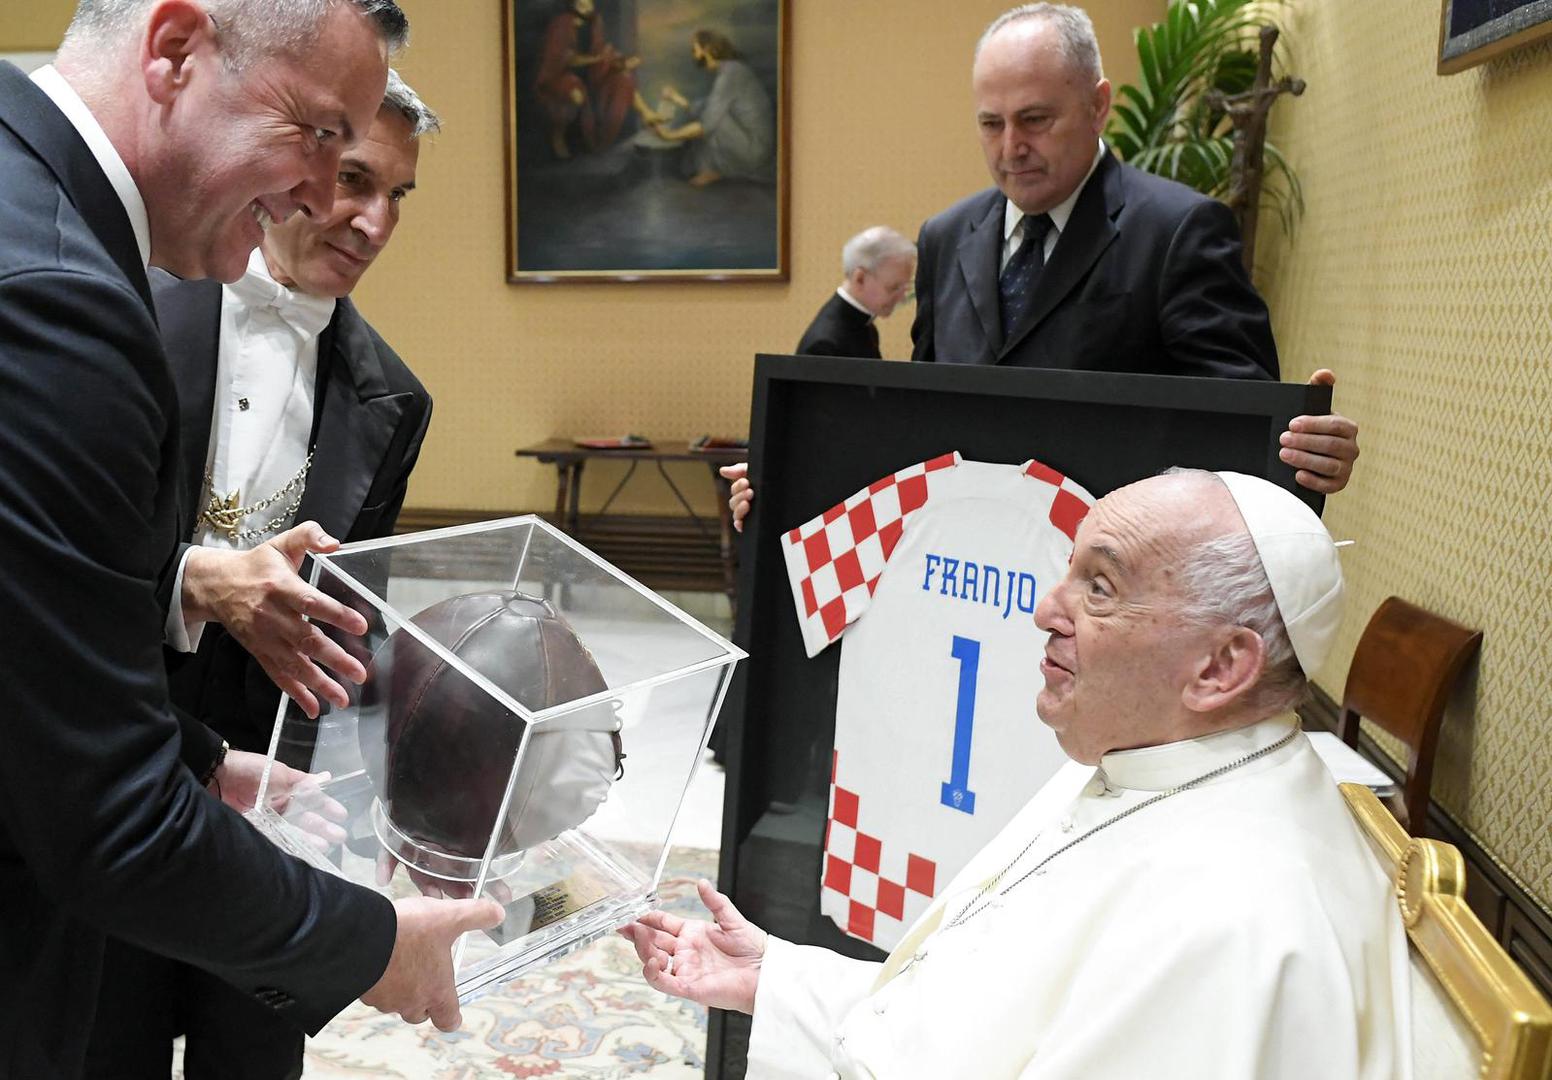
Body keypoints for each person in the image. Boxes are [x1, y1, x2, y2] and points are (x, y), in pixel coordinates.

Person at [0, 3, 501, 1076]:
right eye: (322, 138)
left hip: (240, 767)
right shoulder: (75, 298)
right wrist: (375, 951)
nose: (334, 202)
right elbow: (101, 810)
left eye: (379, 183)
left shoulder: (390, 394)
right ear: (175, 52)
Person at [623, 469, 1411, 1079]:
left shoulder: (1234, 921)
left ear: (1219, 666)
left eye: (1099, 586)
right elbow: (983, 1027)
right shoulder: (1149, 766)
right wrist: (780, 979)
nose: (1043, 607)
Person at [84, 70, 440, 1080]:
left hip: (275, 777)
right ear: (298, 167)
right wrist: (199, 578)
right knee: (104, 1028)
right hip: (118, 742)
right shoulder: (124, 312)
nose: (373, 222)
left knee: (253, 1043)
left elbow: (349, 626)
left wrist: (383, 800)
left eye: (399, 196)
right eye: (357, 180)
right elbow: (59, 558)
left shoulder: (395, 398)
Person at [719, 3, 1358, 530]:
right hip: (959, 573)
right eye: (990, 124)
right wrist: (796, 471)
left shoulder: (1178, 230)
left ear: (1098, 104)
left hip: (1109, 582)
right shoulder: (945, 237)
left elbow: (1242, 433)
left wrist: (1309, 454)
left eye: (1034, 119)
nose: (1010, 148)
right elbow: (915, 423)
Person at [651, 29, 775, 187]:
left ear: (707, 49)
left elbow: (707, 124)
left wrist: (669, 136)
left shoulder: (730, 74)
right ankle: (712, 170)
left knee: (712, 120)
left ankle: (710, 171)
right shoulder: (731, 70)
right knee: (711, 112)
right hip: (752, 144)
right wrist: (676, 98)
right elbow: (708, 106)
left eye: (694, 48)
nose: (692, 52)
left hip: (754, 150)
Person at [535, 0, 645, 159]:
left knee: (624, 80)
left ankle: (603, 139)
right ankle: (559, 136)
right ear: (573, 5)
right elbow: (566, 60)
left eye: (588, 2)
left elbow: (602, 52)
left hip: (593, 74)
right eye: (580, 3)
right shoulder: (562, 24)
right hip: (561, 76)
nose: (586, 6)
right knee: (576, 92)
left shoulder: (595, 22)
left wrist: (623, 62)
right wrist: (598, 59)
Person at [794, 226, 916, 360]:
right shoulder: (824, 346)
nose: (902, 297)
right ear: (860, 279)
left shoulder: (862, 327)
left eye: (905, 288)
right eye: (893, 288)